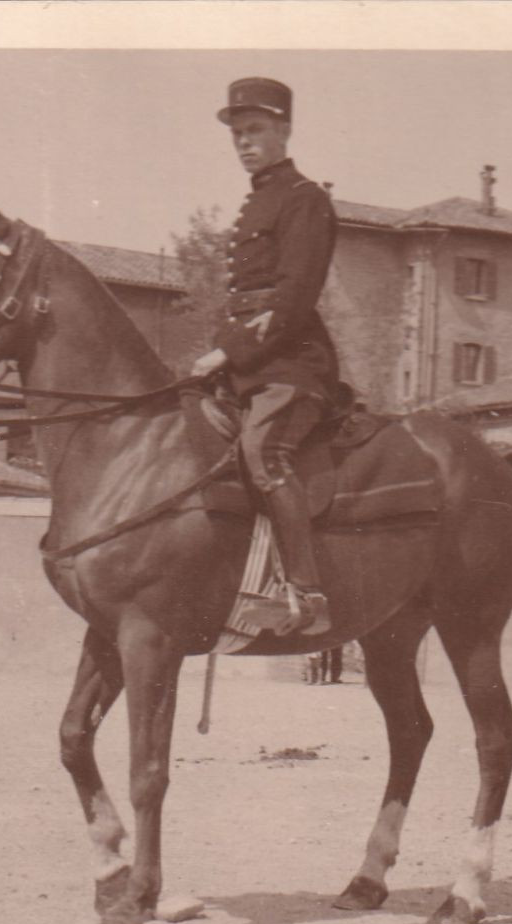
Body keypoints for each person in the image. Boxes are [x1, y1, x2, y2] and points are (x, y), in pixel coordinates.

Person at [191, 77, 339, 636]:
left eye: (255, 130)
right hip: (249, 365)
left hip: (291, 365)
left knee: (263, 450)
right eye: (237, 134)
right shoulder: (259, 200)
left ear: (285, 131)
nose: (244, 142)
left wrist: (226, 353)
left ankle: (305, 594)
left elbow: (293, 298)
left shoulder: (304, 198)